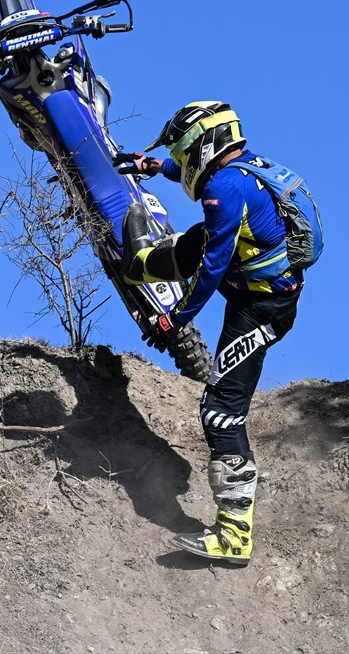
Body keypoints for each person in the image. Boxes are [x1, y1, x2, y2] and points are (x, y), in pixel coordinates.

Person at [113, 101, 305, 566]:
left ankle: (235, 535)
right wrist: (153, 165)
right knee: (193, 241)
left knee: (220, 412)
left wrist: (176, 317)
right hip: (258, 287)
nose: (182, 160)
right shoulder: (244, 168)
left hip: (261, 311)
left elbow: (213, 268)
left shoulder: (223, 187)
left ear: (206, 145)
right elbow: (201, 194)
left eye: (186, 150)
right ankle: (140, 264)